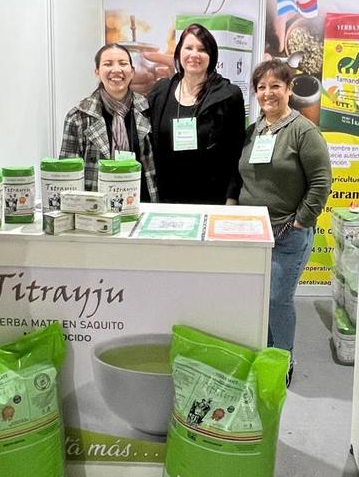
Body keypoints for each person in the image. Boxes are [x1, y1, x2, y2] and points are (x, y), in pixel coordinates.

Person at [228, 58, 332, 379]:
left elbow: (321, 182)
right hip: (251, 234)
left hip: (287, 233)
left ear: (289, 89)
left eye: (275, 86)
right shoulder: (254, 131)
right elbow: (240, 174)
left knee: (278, 300)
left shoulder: (304, 131)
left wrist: (301, 221)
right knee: (257, 300)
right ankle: (265, 354)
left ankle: (282, 361)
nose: (268, 93)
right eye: (261, 87)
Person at [147, 24, 245, 204]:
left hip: (213, 198)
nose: (194, 54)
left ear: (212, 56)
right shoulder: (161, 92)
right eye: (189, 48)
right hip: (166, 198)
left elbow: (236, 150)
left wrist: (232, 197)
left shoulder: (228, 95)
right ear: (179, 52)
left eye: (202, 49)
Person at [59, 43, 157, 198]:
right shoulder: (78, 117)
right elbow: (68, 176)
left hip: (142, 202)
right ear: (97, 72)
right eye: (108, 64)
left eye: (123, 63)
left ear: (132, 72)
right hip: (97, 206)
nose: (116, 70)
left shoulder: (148, 110)